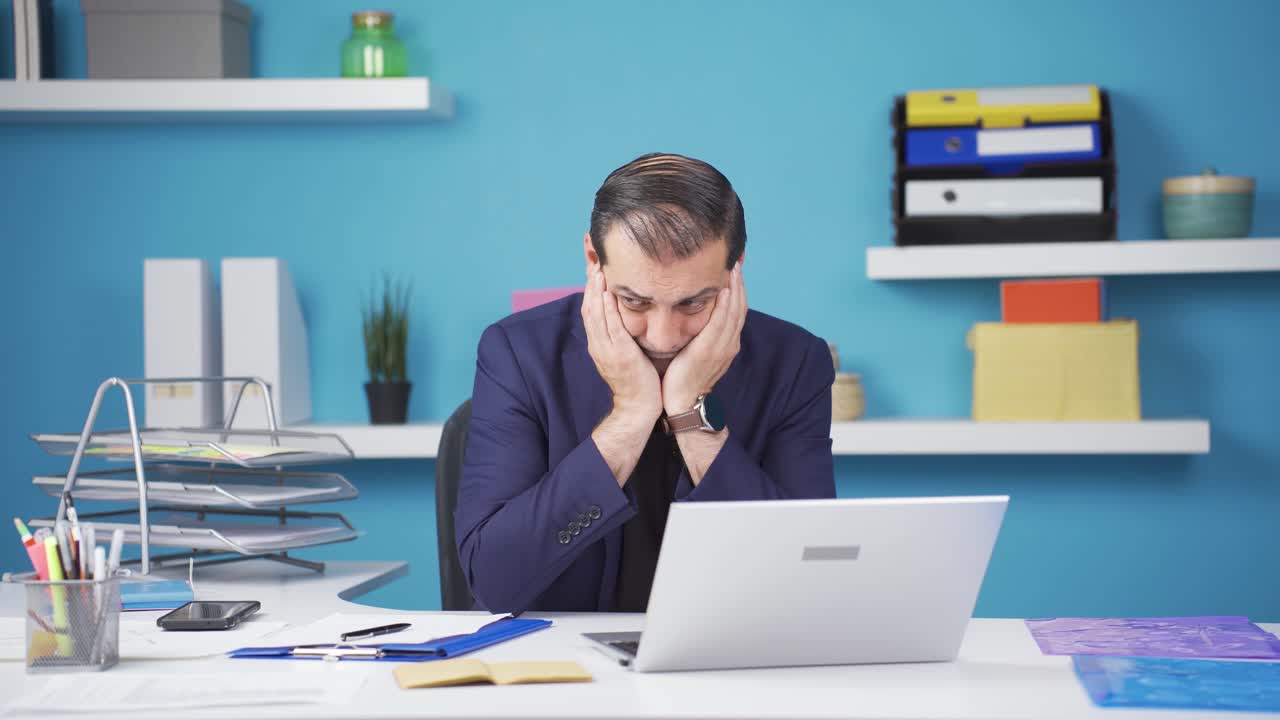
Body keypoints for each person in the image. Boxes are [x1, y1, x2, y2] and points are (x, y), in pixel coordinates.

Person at [456, 152, 835, 613]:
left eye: (695, 304)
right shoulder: (518, 353)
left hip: (729, 660)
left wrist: (687, 414)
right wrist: (630, 416)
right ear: (594, 260)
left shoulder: (794, 362)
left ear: (735, 268)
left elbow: (806, 579)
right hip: (555, 664)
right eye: (634, 302)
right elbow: (494, 579)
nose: (663, 337)